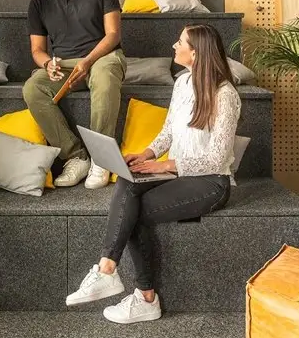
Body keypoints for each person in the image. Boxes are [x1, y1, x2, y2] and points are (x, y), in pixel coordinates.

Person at [64, 24, 241, 324]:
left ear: (195, 53)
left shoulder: (226, 95)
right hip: (177, 174)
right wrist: (146, 155)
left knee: (133, 212)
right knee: (127, 179)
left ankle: (145, 295)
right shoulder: (183, 83)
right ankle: (107, 269)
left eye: (180, 42)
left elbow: (217, 158)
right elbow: (168, 132)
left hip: (210, 183)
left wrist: (167, 165)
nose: (174, 46)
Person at [23, 0, 126, 189]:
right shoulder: (38, 3)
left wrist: (88, 61)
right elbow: (37, 51)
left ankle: (102, 159)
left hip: (103, 57)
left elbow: (113, 34)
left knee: (104, 77)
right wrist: (47, 64)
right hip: (64, 66)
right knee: (32, 88)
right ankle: (76, 157)